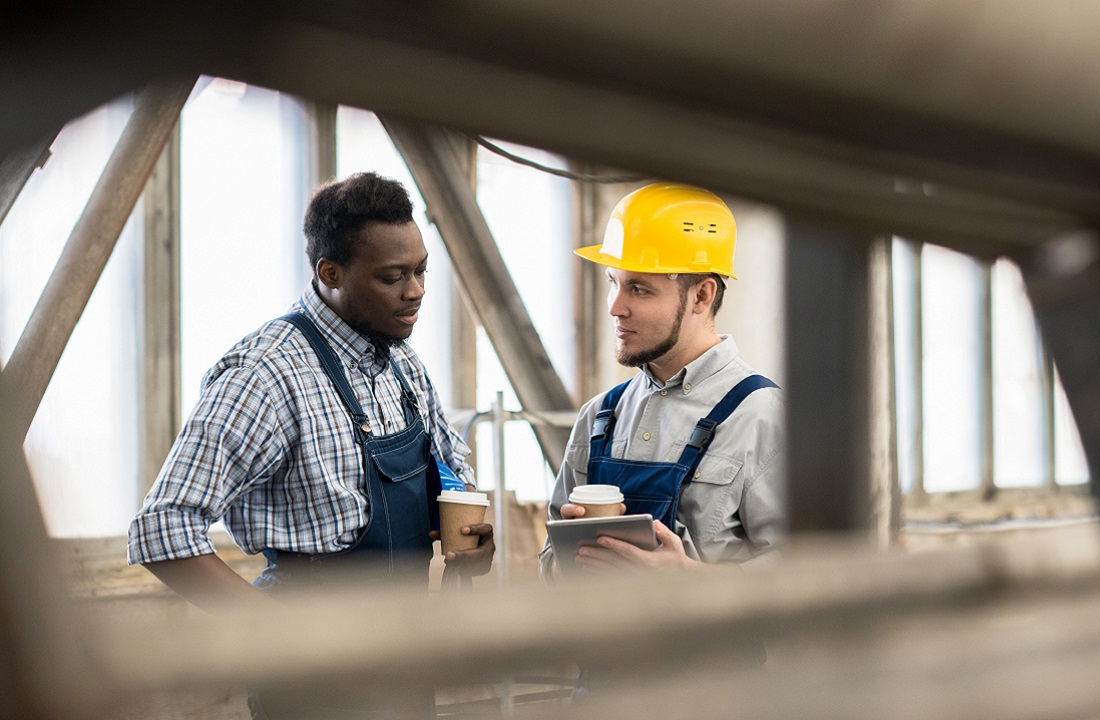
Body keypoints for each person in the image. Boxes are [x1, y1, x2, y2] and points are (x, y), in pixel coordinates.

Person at [127, 172, 493, 715]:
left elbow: (446, 473)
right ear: (331, 273)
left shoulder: (400, 363)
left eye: (420, 272)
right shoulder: (267, 374)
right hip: (313, 681)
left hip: (407, 656)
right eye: (393, 276)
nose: (414, 291)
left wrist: (468, 538)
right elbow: (161, 527)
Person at [539, 182, 784, 579]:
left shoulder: (761, 416)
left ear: (701, 296)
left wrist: (688, 578)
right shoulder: (599, 417)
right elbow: (548, 568)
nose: (616, 307)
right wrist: (571, 554)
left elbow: (805, 580)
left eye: (640, 289)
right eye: (613, 283)